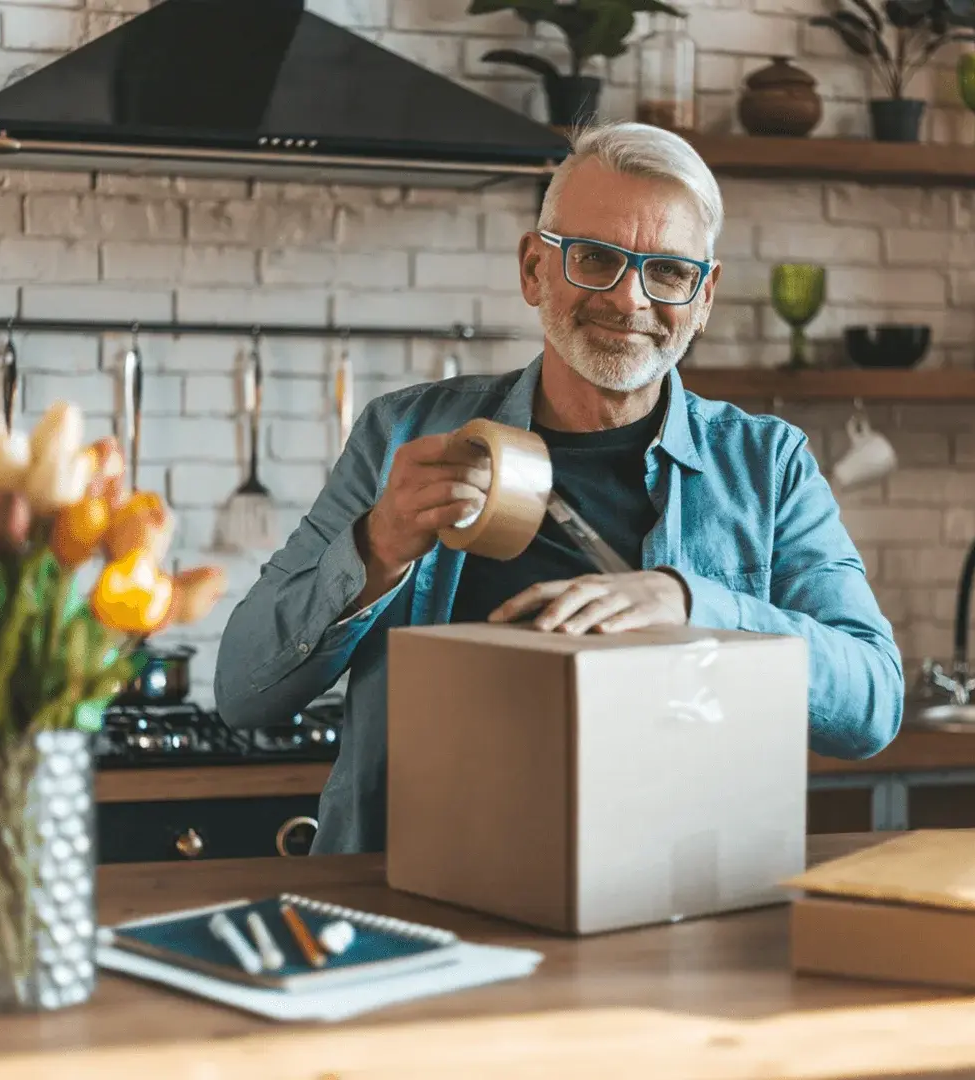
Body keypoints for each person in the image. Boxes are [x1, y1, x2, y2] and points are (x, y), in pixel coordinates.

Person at [214, 121, 905, 855]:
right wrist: (377, 548)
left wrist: (690, 603)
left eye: (667, 271)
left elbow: (871, 705)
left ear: (703, 298)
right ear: (534, 270)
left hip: (659, 900)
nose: (629, 299)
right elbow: (244, 693)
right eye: (596, 259)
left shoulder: (768, 465)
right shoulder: (402, 434)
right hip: (416, 891)